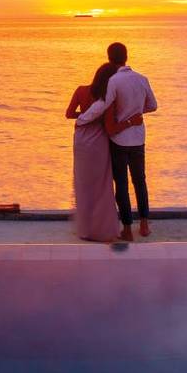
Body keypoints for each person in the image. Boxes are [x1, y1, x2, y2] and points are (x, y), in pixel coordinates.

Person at [77, 42, 157, 240]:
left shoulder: (113, 80)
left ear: (109, 58)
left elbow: (102, 105)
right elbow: (152, 105)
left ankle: (127, 229)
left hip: (119, 140)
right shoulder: (142, 79)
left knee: (121, 184)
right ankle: (144, 225)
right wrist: (135, 113)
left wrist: (82, 119)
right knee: (140, 181)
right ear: (126, 56)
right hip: (138, 138)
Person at [65, 62, 143, 242]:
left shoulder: (81, 90)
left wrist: (84, 116)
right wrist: (131, 121)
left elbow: (69, 114)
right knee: (101, 185)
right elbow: (111, 129)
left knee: (83, 184)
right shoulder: (107, 100)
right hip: (98, 140)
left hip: (81, 139)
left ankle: (85, 228)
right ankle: (100, 229)